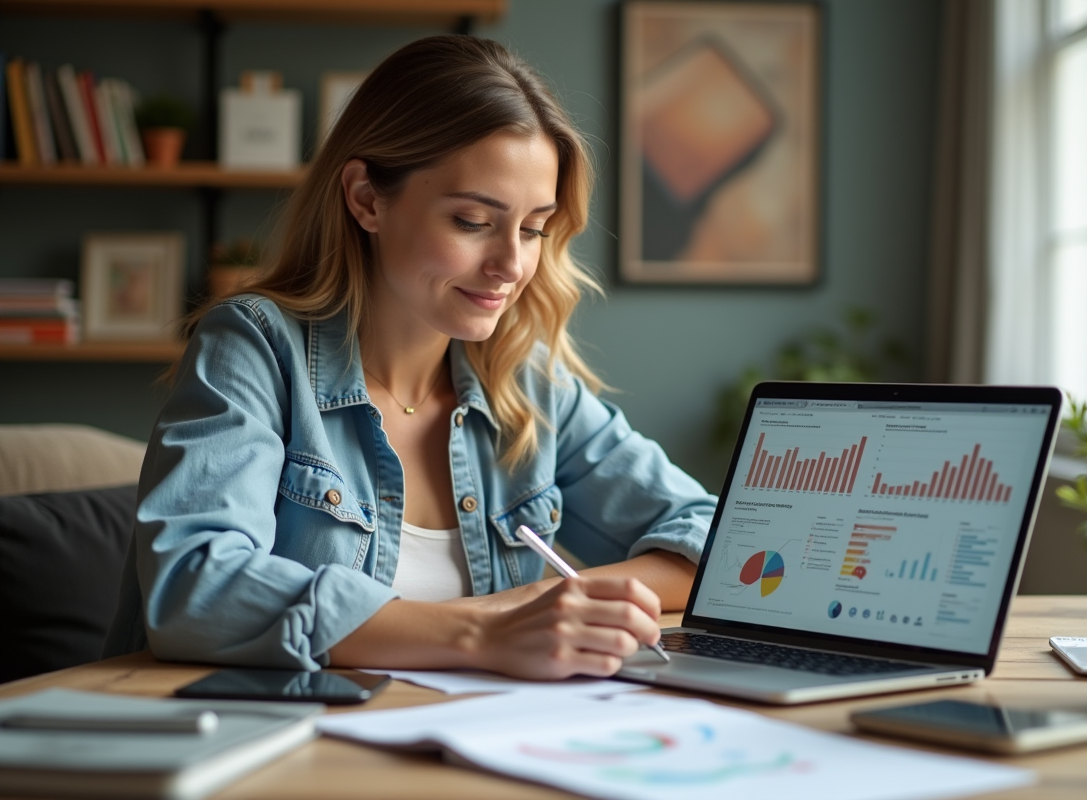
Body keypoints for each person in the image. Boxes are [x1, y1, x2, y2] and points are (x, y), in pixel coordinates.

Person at [104, 35, 716, 679]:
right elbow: (194, 586)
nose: (512, 265)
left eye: (533, 228)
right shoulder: (255, 345)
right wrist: (485, 632)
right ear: (367, 198)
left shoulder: (523, 378)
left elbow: (709, 539)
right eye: (473, 221)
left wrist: (539, 607)